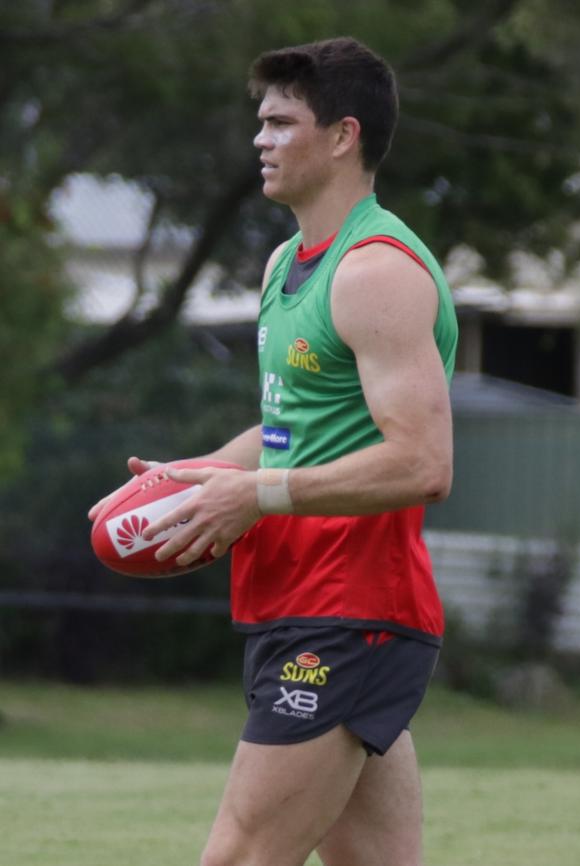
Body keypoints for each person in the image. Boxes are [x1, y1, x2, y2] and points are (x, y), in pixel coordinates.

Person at [90, 36, 458, 866]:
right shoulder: (287, 265)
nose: (259, 139)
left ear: (342, 136)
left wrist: (256, 497)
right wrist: (208, 472)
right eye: (259, 122)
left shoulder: (375, 270)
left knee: (240, 857)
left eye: (281, 121)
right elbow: (292, 427)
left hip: (349, 609)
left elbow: (423, 463)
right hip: (297, 599)